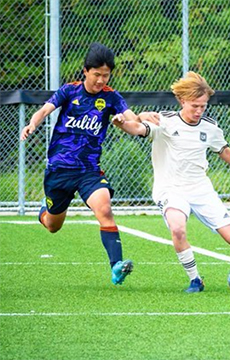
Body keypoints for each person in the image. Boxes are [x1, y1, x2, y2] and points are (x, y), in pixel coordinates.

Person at [112, 71, 230, 293]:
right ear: (182, 101)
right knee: (178, 229)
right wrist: (121, 123)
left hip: (200, 188)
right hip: (170, 189)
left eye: (203, 106)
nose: (199, 111)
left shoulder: (209, 127)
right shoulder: (164, 121)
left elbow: (224, 150)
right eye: (195, 106)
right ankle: (195, 280)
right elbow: (137, 128)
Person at [20, 43, 157, 286]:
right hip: (60, 170)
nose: (101, 80)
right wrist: (32, 124)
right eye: (97, 74)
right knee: (53, 226)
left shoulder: (111, 97)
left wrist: (142, 117)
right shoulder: (69, 91)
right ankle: (44, 211)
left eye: (106, 75)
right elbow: (44, 110)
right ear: (85, 71)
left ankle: (116, 266)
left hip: (89, 171)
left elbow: (131, 119)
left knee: (104, 210)